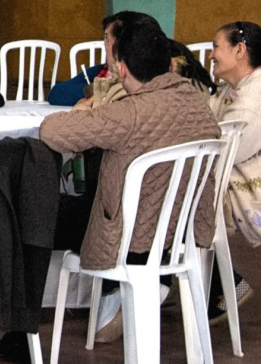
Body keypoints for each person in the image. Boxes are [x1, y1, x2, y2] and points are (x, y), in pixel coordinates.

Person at [37, 19, 221, 343]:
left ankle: (17, 328)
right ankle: (128, 293)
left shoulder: (130, 112)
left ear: (121, 69)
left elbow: (51, 131)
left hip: (128, 231)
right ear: (168, 64)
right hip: (178, 227)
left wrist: (84, 111)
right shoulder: (197, 103)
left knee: (31, 216)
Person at [208, 21, 261, 318]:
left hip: (251, 187)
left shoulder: (252, 101)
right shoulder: (232, 89)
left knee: (185, 199)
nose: (211, 54)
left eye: (216, 46)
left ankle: (220, 287)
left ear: (239, 50)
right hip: (238, 177)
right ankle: (220, 287)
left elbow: (221, 154)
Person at [47, 11, 161, 108]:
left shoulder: (150, 79)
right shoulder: (100, 71)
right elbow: (56, 93)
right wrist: (93, 89)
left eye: (107, 38)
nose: (105, 45)